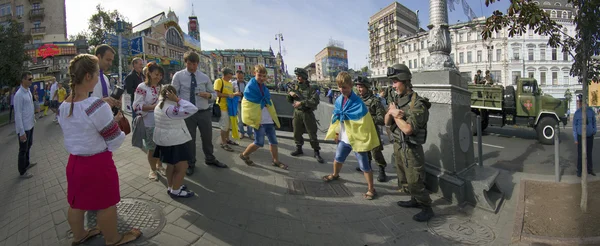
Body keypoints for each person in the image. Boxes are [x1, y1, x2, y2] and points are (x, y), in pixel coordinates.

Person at [58, 54, 142, 245]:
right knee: (106, 204)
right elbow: (114, 141)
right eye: (96, 74)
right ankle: (113, 239)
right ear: (88, 76)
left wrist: (103, 110)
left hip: (74, 163)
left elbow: (82, 127)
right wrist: (116, 122)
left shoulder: (64, 106)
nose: (98, 78)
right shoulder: (96, 106)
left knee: (76, 204)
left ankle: (79, 235)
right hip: (97, 163)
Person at [386, 63, 434, 222]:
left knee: (415, 180)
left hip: (411, 148)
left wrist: (396, 116)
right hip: (398, 145)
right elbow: (386, 122)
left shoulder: (418, 104)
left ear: (405, 81)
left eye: (395, 82)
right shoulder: (397, 100)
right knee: (404, 179)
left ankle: (427, 207)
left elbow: (407, 129)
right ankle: (415, 200)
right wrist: (392, 112)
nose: (393, 85)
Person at [321, 72, 380, 199]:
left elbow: (365, 123)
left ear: (351, 86)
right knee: (337, 158)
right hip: (344, 138)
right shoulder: (338, 100)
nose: (342, 90)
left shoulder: (358, 103)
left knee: (364, 165)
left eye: (345, 87)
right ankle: (335, 175)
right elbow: (336, 118)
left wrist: (364, 139)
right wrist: (336, 133)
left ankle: (371, 189)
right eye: (340, 87)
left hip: (357, 139)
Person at [172, 51, 227, 176]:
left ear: (198, 64)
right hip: (187, 113)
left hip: (204, 112)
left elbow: (214, 95)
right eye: (190, 64)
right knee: (189, 140)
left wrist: (208, 95)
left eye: (195, 64)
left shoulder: (204, 77)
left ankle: (210, 158)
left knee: (207, 137)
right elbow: (173, 94)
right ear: (185, 63)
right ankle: (190, 163)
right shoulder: (178, 76)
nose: (192, 67)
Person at [153, 85, 198, 198]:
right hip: (175, 141)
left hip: (165, 141)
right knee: (182, 167)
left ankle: (171, 186)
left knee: (171, 165)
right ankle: (176, 190)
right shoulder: (170, 108)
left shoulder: (159, 105)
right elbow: (193, 109)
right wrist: (178, 100)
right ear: (172, 95)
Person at [238, 65, 287, 169]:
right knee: (259, 143)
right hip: (258, 120)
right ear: (254, 73)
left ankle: (276, 161)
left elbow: (267, 101)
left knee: (273, 141)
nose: (261, 78)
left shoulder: (264, 87)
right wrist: (252, 120)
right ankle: (244, 155)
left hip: (268, 119)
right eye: (259, 75)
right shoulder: (250, 87)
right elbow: (248, 106)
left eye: (264, 76)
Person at [133, 62, 165, 181]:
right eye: (156, 74)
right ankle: (152, 169)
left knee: (162, 146)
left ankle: (160, 165)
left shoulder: (162, 87)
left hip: (161, 122)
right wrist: (153, 107)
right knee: (152, 148)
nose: (158, 77)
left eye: (160, 75)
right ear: (149, 73)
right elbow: (136, 106)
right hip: (149, 122)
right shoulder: (142, 87)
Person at [354, 76, 388, 182]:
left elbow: (382, 119)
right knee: (363, 150)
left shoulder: (375, 101)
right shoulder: (356, 99)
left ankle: (381, 169)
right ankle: (366, 166)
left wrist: (367, 118)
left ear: (367, 87)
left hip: (372, 130)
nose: (359, 89)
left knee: (376, 152)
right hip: (361, 130)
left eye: (361, 87)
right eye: (358, 87)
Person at [287, 67, 324, 163]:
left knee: (312, 134)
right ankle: (299, 148)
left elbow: (315, 101)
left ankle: (316, 152)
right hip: (297, 113)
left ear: (304, 77)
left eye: (300, 76)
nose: (298, 78)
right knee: (297, 132)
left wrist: (302, 103)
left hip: (307, 113)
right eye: (297, 76)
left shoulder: (311, 89)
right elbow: (289, 100)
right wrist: (290, 95)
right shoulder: (295, 87)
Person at [14, 71, 36, 178]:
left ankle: (27, 164)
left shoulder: (28, 91)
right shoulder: (19, 95)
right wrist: (21, 132)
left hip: (30, 124)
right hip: (24, 128)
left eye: (31, 79)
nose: (31, 81)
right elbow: (17, 114)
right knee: (23, 149)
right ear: (23, 80)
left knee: (29, 146)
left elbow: (29, 107)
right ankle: (22, 171)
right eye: (29, 79)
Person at [214, 68, 239, 151]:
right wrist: (228, 95)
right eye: (231, 73)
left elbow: (230, 94)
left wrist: (234, 94)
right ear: (226, 74)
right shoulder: (219, 81)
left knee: (228, 125)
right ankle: (223, 142)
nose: (232, 75)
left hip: (230, 107)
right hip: (222, 107)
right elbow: (217, 94)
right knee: (224, 126)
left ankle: (227, 139)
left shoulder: (230, 83)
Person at [573, 94, 597, 177]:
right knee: (580, 154)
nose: (581, 103)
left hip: (590, 136)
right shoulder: (577, 113)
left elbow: (594, 121)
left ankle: (590, 170)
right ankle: (579, 171)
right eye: (580, 102)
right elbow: (574, 127)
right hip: (580, 137)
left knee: (589, 153)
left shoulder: (590, 111)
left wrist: (594, 130)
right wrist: (575, 138)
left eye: (582, 101)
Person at [232, 70, 253, 140]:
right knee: (240, 119)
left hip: (247, 103)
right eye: (238, 78)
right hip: (238, 103)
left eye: (241, 78)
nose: (240, 79)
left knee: (248, 118)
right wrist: (236, 94)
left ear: (243, 76)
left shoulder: (247, 83)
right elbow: (230, 94)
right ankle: (242, 132)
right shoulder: (233, 84)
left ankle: (250, 133)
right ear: (236, 76)